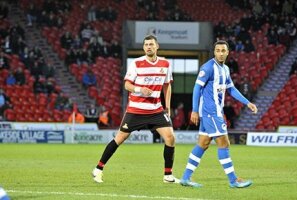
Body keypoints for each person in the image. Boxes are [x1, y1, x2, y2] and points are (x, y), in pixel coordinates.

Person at [92, 34, 179, 184]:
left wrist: (168, 106)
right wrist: (140, 89)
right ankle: (98, 169)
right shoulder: (136, 63)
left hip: (156, 109)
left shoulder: (165, 64)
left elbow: (167, 85)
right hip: (136, 110)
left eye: (151, 44)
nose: (148, 47)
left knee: (170, 138)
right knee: (120, 138)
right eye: (146, 45)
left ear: (157, 46)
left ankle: (168, 175)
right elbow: (127, 85)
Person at [180, 40, 258, 188]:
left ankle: (185, 177)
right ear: (214, 52)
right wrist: (195, 110)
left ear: (228, 52)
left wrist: (248, 103)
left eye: (223, 50)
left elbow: (232, 89)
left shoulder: (226, 69)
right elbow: (197, 88)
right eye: (218, 50)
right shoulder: (208, 67)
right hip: (210, 112)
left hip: (214, 112)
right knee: (224, 143)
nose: (221, 53)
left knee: (203, 144)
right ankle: (233, 180)